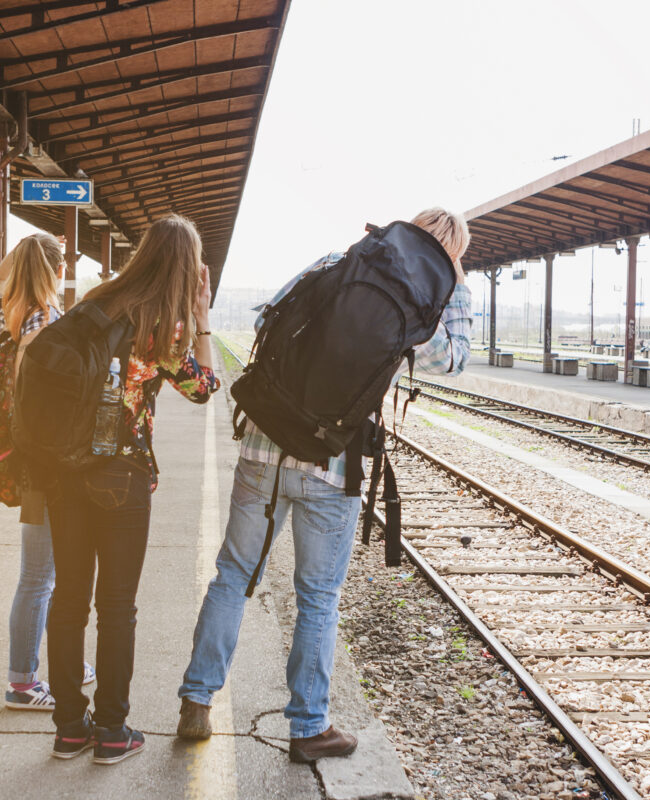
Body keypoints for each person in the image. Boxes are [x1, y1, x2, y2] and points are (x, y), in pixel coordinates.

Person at [177, 208, 472, 762]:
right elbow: (452, 362)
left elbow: (273, 314)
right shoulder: (429, 301)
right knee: (318, 597)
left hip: (265, 443)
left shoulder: (342, 262)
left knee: (234, 575)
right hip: (331, 463)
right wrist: (455, 292)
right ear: (452, 255)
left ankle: (196, 700)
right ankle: (309, 727)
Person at [46, 215, 219, 764]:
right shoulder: (161, 325)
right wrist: (202, 319)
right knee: (116, 607)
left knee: (68, 599)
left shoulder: (96, 302)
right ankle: (112, 732)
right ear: (187, 269)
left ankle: (70, 728)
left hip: (64, 470)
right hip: (122, 478)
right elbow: (204, 389)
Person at [0, 234, 96, 711]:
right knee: (38, 576)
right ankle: (22, 682)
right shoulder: (50, 321)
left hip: (32, 455)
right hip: (49, 462)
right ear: (57, 273)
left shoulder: (13, 312)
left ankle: (61, 663)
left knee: (45, 573)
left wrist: (33, 244)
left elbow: (0, 279)